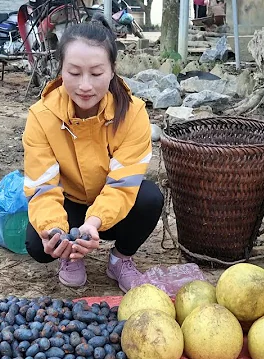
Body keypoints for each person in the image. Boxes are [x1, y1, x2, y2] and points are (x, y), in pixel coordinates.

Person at [22, 20, 164, 292]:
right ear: (61, 71)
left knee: (149, 198)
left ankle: (120, 259)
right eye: (74, 73)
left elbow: (124, 185)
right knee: (37, 245)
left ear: (112, 71)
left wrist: (94, 222)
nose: (85, 86)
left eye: (96, 73)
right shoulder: (41, 117)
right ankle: (69, 255)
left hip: (111, 208)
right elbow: (42, 185)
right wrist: (53, 229)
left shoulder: (133, 115)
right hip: (70, 203)